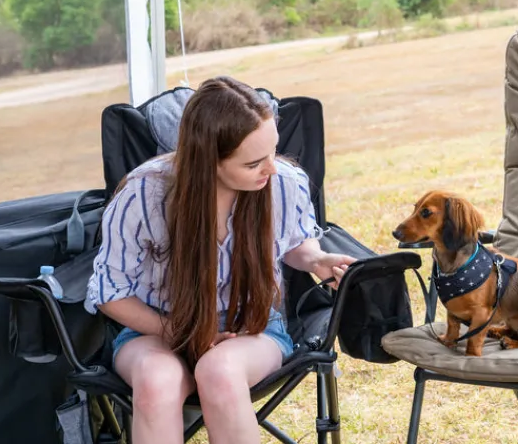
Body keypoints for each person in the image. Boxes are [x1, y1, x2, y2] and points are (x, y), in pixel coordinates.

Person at [84, 76, 357, 444]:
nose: (272, 168)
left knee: (219, 371)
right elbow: (109, 291)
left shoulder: (283, 182)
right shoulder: (144, 195)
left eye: (273, 152)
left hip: (253, 326)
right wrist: (183, 333)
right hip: (159, 327)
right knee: (156, 381)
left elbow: (294, 241)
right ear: (207, 160)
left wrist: (316, 260)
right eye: (254, 163)